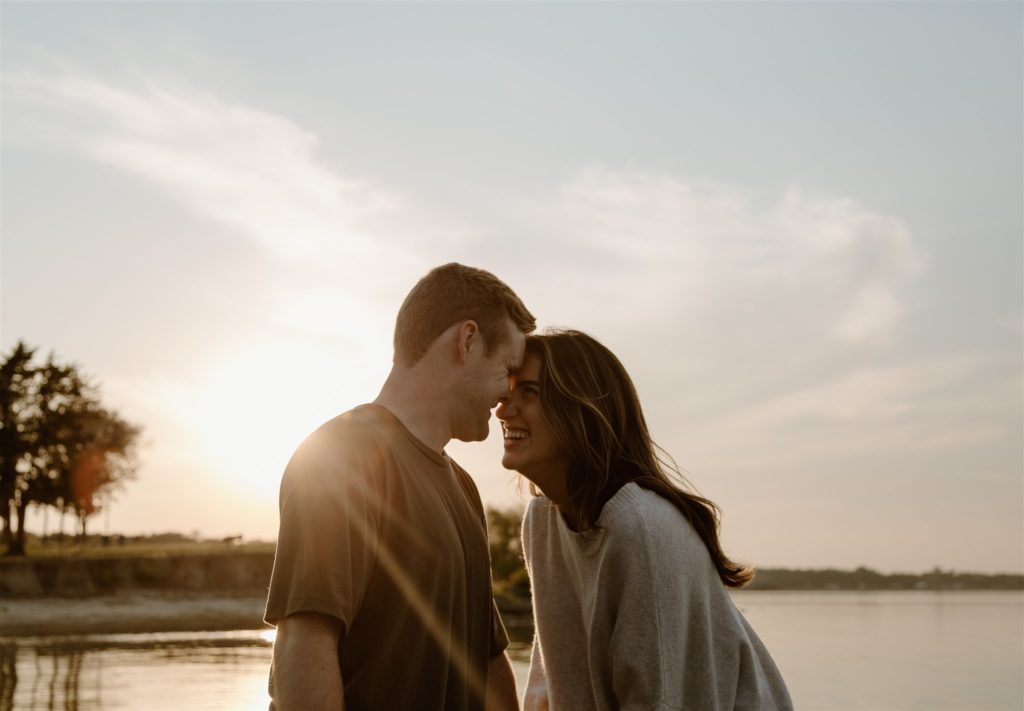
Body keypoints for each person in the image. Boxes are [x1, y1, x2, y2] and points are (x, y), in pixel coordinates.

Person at [265, 263, 534, 710]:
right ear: (467, 341)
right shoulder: (342, 454)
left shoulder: (463, 487)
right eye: (506, 369)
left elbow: (485, 660)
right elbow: (304, 641)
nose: (506, 396)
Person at [496, 330, 793, 711]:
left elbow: (659, 699)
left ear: (580, 409)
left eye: (530, 393)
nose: (503, 410)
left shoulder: (642, 528)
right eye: (508, 393)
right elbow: (551, 680)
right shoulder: (542, 521)